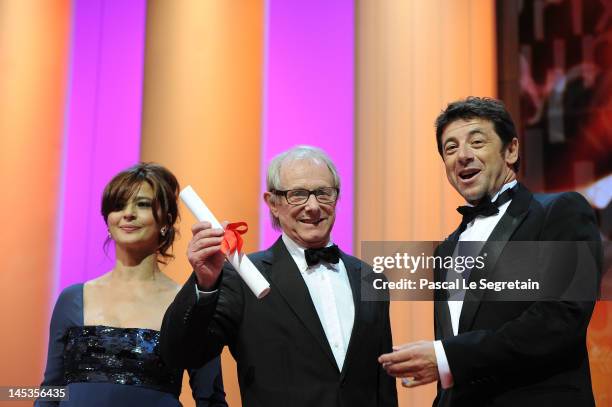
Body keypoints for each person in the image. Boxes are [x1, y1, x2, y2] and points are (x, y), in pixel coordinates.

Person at [378, 97, 602, 406]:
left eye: (477, 142)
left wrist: (445, 357)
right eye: (450, 148)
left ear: (511, 150)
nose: (463, 156)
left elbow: (560, 319)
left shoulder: (560, 211)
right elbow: (456, 357)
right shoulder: (446, 249)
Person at [159, 146, 398, 406]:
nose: (313, 206)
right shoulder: (242, 277)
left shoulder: (370, 277)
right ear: (273, 203)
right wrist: (204, 284)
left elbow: (383, 384)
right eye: (298, 195)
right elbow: (181, 354)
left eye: (323, 193)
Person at [37, 163, 227, 407]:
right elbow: (51, 390)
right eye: (118, 206)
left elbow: (210, 398)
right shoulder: (73, 298)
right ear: (108, 219)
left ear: (166, 221)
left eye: (143, 204)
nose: (128, 213)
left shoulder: (190, 303)